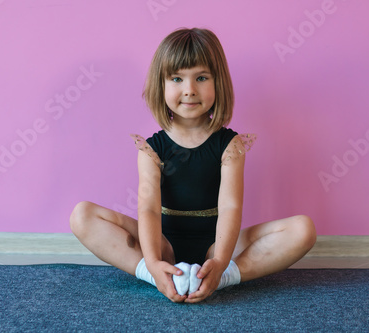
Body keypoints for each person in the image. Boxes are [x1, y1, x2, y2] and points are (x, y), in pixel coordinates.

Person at [69, 27, 316, 303]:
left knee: (303, 229)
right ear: (161, 85)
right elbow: (149, 208)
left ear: (217, 82)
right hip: (164, 245)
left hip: (218, 245)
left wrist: (221, 259)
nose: (189, 90)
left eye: (201, 77)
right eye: (177, 78)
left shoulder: (230, 145)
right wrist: (152, 260)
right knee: (82, 216)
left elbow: (230, 207)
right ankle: (157, 276)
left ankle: (223, 277)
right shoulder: (152, 149)